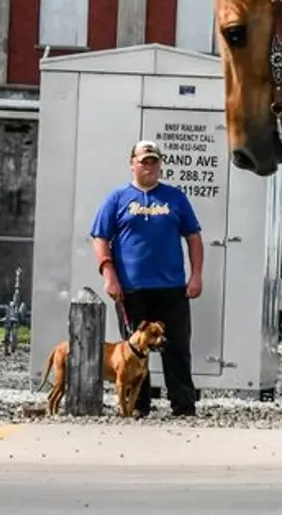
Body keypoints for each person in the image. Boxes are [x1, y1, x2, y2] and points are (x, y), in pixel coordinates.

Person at [90, 140, 203, 416]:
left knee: (176, 346)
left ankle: (183, 405)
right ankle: (138, 405)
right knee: (135, 349)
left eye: (154, 161)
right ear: (133, 164)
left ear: (160, 165)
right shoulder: (117, 199)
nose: (149, 166)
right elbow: (100, 238)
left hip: (172, 288)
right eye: (144, 161)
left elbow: (194, 238)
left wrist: (196, 276)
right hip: (132, 290)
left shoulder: (175, 198)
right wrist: (109, 274)